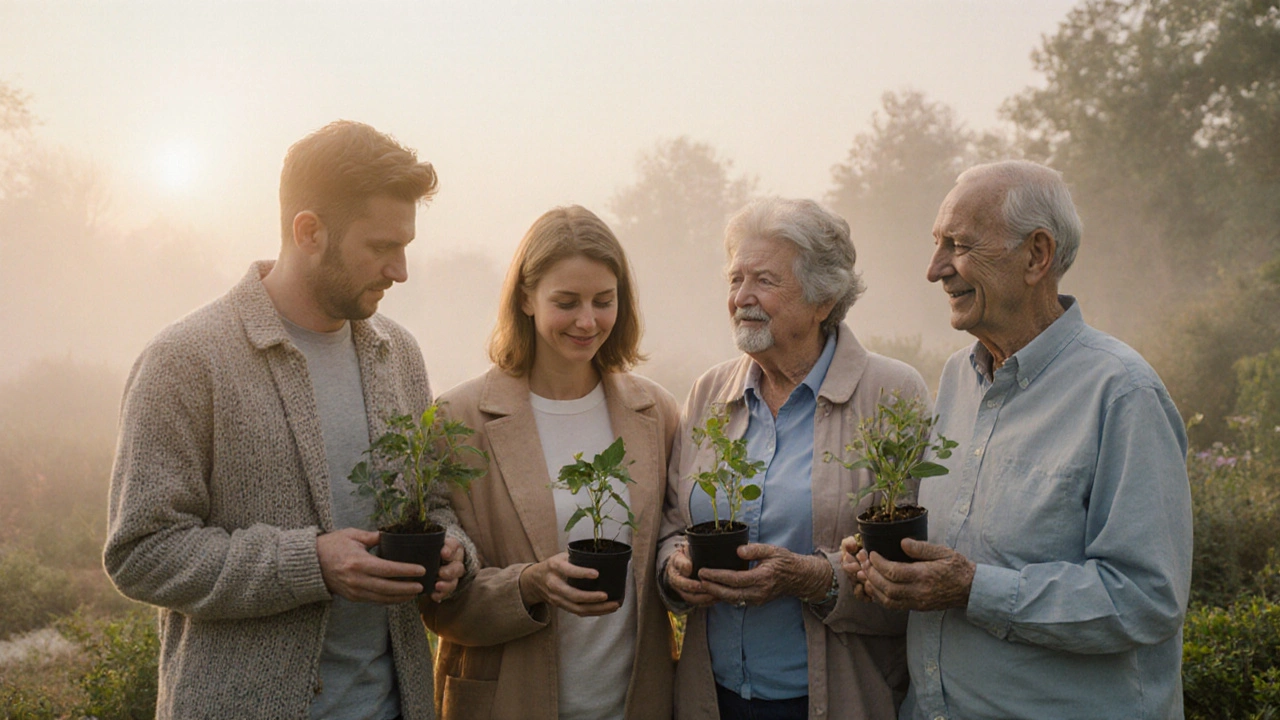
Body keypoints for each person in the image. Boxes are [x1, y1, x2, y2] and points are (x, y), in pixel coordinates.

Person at [104, 120, 475, 720]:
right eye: (381, 247)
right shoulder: (187, 359)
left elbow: (434, 506)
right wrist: (311, 563)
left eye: (405, 246)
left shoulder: (398, 353)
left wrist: (455, 551)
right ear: (309, 232)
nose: (400, 270)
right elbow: (141, 551)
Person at [849, 160, 1193, 718]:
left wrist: (972, 589)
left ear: (1037, 255)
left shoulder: (1122, 393)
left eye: (958, 245)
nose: (935, 269)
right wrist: (885, 562)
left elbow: (1146, 599)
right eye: (937, 244)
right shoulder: (961, 377)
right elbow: (965, 542)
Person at [657, 198, 929, 720]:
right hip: (713, 697)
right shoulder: (710, 391)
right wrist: (676, 569)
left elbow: (914, 562)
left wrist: (812, 577)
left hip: (835, 697)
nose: (741, 298)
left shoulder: (891, 393)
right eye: (735, 280)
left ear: (823, 299)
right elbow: (673, 520)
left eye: (764, 281)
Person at [421, 205, 679, 720]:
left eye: (604, 301)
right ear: (525, 297)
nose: (588, 321)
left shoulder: (656, 413)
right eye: (567, 302)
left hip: (637, 702)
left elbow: (672, 537)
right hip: (505, 702)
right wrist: (527, 585)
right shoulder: (459, 420)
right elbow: (436, 603)